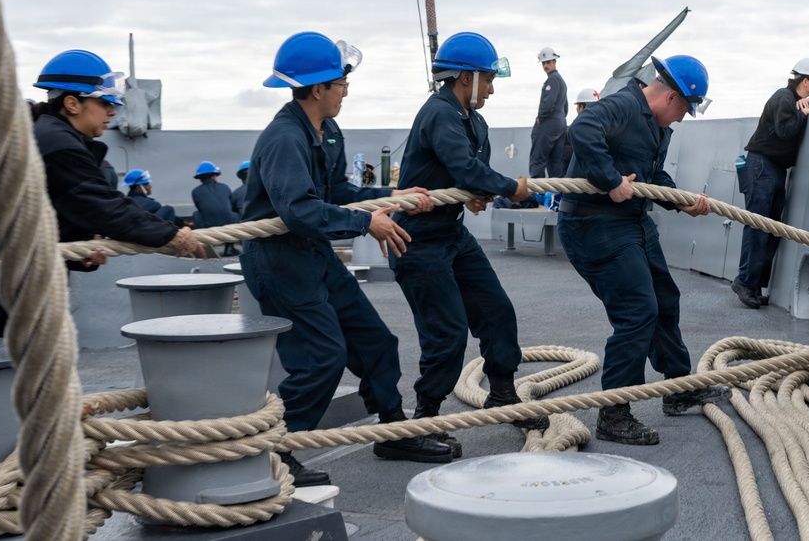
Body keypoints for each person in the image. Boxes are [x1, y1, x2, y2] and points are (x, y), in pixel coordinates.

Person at [239, 31, 452, 487]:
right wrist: (365, 223)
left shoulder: (326, 132)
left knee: (376, 341)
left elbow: (338, 194)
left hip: (311, 253)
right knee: (322, 357)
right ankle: (279, 451)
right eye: (340, 82)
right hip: (278, 260)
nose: (346, 89)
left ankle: (393, 433)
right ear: (318, 89)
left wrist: (389, 197)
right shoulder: (284, 138)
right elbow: (297, 209)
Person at [0, 49, 204, 340]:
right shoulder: (56, 143)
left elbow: (47, 210)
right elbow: (102, 207)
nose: (113, 112)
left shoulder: (54, 137)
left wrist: (75, 253)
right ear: (72, 104)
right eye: (105, 102)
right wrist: (170, 233)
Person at [389, 31, 549, 459]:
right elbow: (463, 165)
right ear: (465, 78)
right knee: (446, 334)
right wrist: (510, 189)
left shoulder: (474, 121)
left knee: (496, 311)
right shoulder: (439, 113)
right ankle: (421, 421)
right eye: (489, 79)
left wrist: (476, 192)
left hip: (451, 233)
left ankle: (502, 394)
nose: (492, 89)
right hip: (417, 239)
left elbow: (468, 171)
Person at [557, 54, 731, 445]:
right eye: (686, 108)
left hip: (633, 222)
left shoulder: (658, 127)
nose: (684, 118)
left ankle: (678, 388)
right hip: (593, 224)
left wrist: (681, 200)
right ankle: (614, 414)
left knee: (665, 300)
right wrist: (608, 179)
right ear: (670, 97)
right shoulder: (623, 105)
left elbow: (652, 177)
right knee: (638, 311)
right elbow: (582, 129)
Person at [731, 58, 809, 309]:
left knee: (771, 230)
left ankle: (754, 286)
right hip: (761, 165)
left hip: (776, 169)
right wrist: (803, 112)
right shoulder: (783, 98)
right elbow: (785, 131)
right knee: (757, 225)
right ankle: (744, 282)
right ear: (805, 81)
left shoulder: (799, 100)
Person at [528, 46, 568, 178]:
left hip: (549, 122)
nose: (546, 65)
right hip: (560, 123)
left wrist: (541, 117)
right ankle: (556, 195)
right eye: (544, 63)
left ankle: (537, 195)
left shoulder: (552, 80)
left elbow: (548, 103)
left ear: (554, 62)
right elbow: (565, 106)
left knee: (538, 159)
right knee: (555, 162)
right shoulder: (561, 81)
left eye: (548, 62)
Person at [191, 160, 239, 256]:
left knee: (196, 214)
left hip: (209, 225)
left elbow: (201, 209)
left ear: (200, 179)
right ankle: (229, 247)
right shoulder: (225, 187)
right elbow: (230, 205)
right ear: (214, 176)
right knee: (235, 215)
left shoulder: (196, 191)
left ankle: (206, 247)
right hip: (229, 224)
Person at [559, 87, 599, 177]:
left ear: (581, 107)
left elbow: (566, 160)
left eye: (578, 106)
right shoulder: (607, 127)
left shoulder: (575, 128)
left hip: (577, 182)